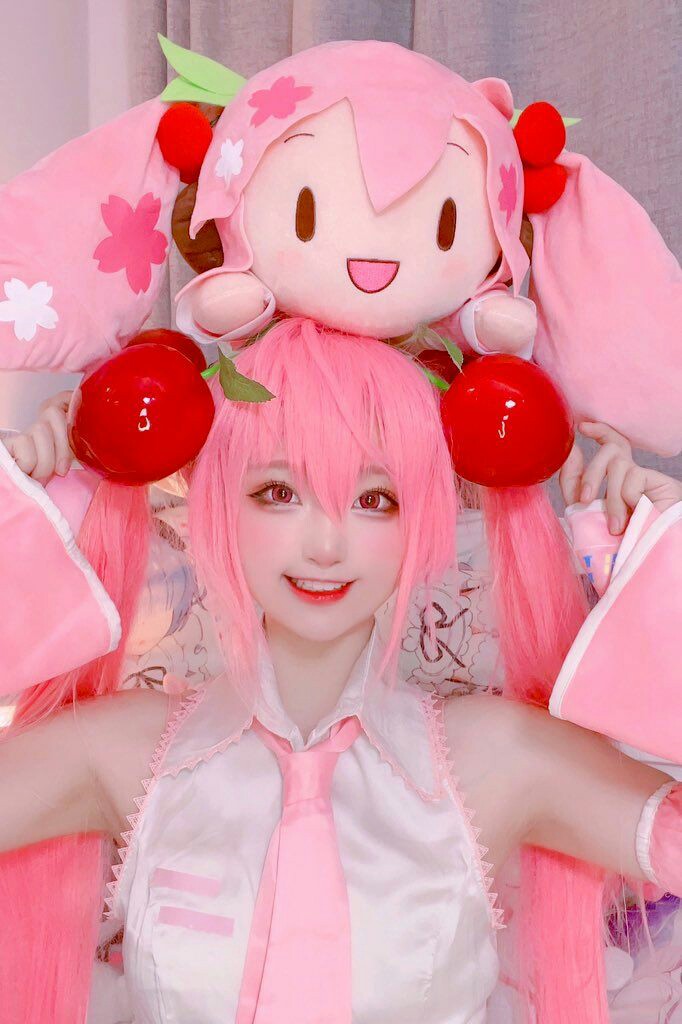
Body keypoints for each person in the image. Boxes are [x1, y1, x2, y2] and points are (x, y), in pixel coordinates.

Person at [0, 318, 681, 1024]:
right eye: (278, 492)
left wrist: (668, 575)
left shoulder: (498, 758)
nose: (326, 545)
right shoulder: (123, 755)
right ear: (217, 502)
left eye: (374, 500)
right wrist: (14, 516)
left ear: (422, 519)